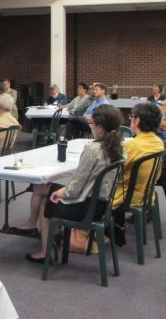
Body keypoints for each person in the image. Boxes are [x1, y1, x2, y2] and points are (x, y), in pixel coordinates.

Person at [15, 105, 124, 263]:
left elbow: (75, 187)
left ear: (99, 127)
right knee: (41, 187)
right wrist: (64, 190)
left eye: (91, 124)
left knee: (47, 200)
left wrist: (62, 192)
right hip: (103, 204)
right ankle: (35, 225)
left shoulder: (93, 149)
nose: (90, 127)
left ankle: (45, 251)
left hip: (86, 207)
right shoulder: (118, 147)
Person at [69, 102, 164, 250]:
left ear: (137, 120)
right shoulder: (158, 142)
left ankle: (81, 235)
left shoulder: (132, 146)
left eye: (132, 117)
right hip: (145, 193)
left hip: (124, 195)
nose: (130, 119)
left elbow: (108, 171)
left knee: (86, 187)